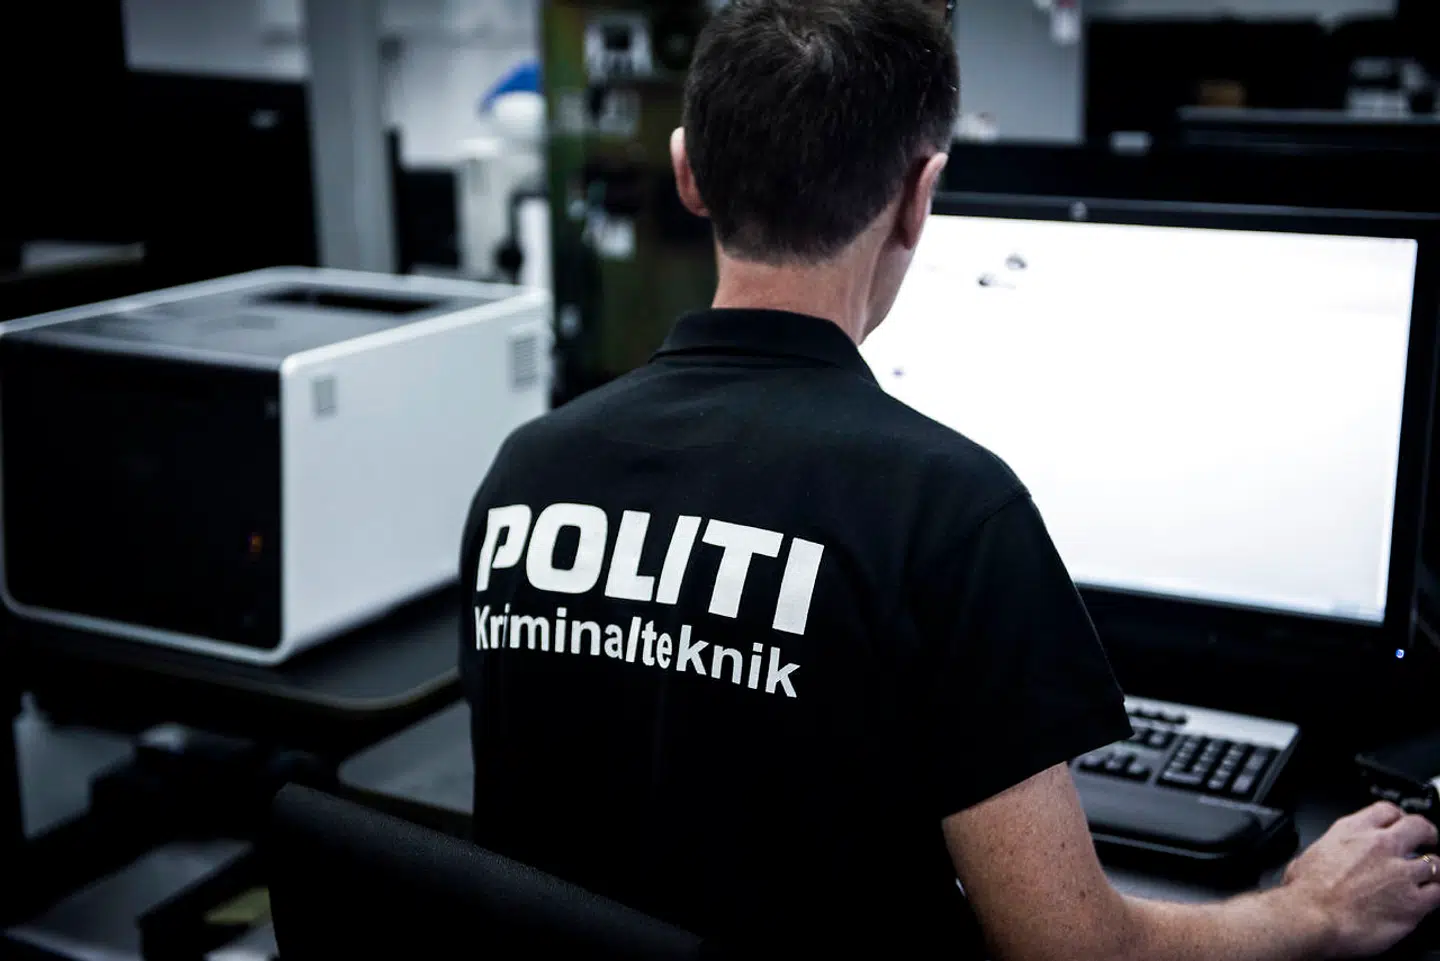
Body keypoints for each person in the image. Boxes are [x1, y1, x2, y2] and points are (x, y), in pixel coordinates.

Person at [458, 1, 1440, 958]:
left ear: (687, 172)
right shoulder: (949, 510)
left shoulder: (523, 476)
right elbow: (1071, 947)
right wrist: (1311, 912)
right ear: (920, 193)